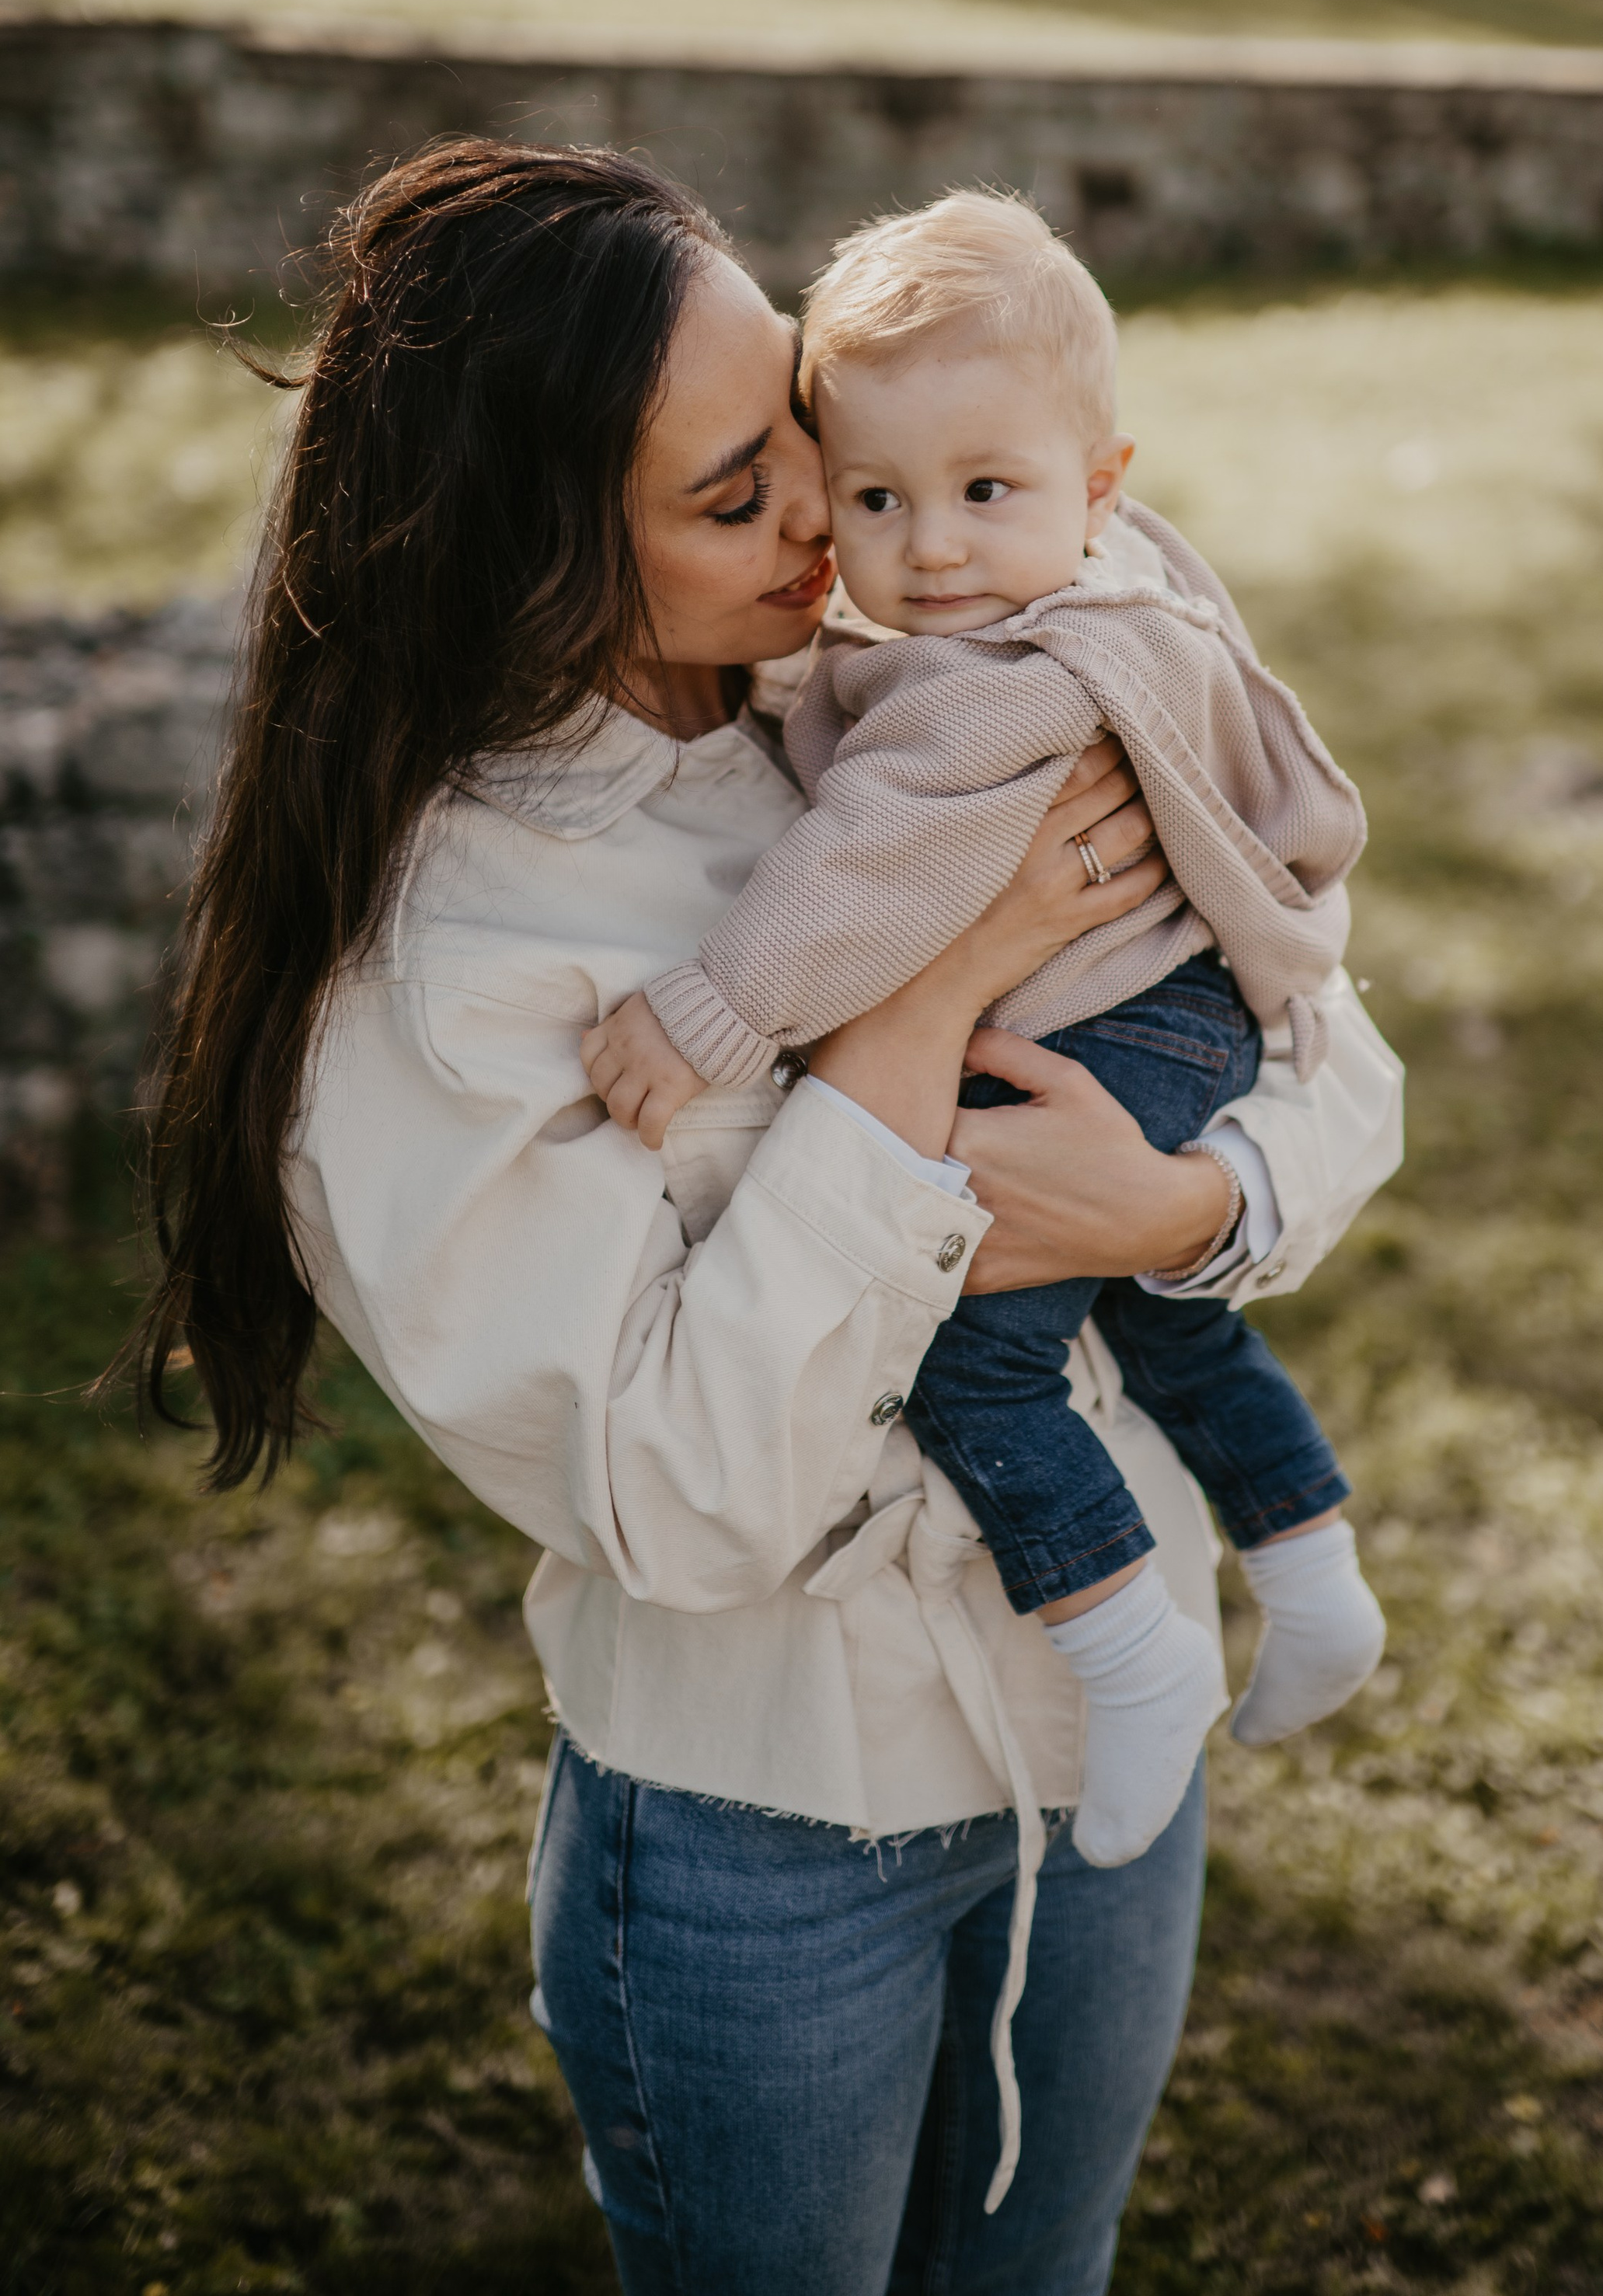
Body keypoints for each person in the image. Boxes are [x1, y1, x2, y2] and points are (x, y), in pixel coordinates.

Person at [132, 136, 1404, 2296]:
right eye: (741, 496)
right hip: (764, 1840)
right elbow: (695, 1496)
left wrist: (1192, 1204)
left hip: (1115, 1718)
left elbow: (1327, 1043)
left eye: (802, 431)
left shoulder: (902, 690)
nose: (842, 522)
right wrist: (923, 987)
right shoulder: (450, 962)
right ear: (538, 551)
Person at [585, 193, 1388, 1884]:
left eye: (981, 492)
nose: (930, 549)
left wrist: (717, 1006)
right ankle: (1309, 1563)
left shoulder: (993, 682)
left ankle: (1124, 1643)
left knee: (970, 1350)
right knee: (1161, 1335)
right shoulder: (1122, 582)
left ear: (1096, 482)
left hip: (1111, 1027)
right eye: (875, 499)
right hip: (1177, 1022)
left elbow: (868, 866)